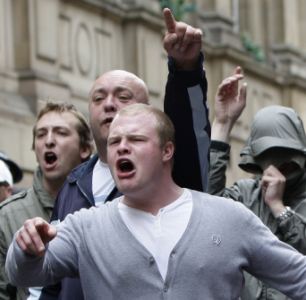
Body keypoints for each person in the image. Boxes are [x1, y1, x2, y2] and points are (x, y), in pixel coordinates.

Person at [5, 103, 306, 300]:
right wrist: (26, 248)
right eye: (113, 142)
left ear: (167, 151)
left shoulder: (229, 217)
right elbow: (26, 273)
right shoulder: (87, 227)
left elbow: (298, 277)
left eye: (135, 140)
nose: (121, 148)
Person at [40, 8, 210, 300]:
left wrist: (185, 71)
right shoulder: (72, 184)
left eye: (122, 97)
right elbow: (53, 281)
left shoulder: (164, 177)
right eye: (98, 97)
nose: (109, 105)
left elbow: (190, 132)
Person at [207, 67, 306, 299]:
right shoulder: (246, 194)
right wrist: (222, 126)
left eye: (287, 162)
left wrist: (280, 209)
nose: (279, 171)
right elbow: (207, 207)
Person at [0, 102, 93, 300]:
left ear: (85, 149)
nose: (49, 141)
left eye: (61, 133)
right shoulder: (6, 216)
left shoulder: (103, 206)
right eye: (41, 134)